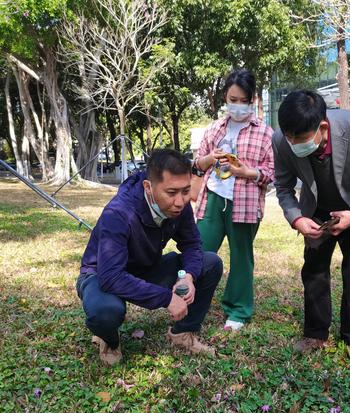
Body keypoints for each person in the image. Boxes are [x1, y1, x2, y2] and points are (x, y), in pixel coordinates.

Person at [272, 90, 350, 361]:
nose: (292, 144)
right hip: (316, 210)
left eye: (299, 139)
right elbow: (282, 186)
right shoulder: (282, 139)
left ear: (322, 127)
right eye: (288, 137)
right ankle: (315, 333)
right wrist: (297, 218)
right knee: (313, 271)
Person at [76, 149, 223, 365]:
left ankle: (183, 332)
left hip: (145, 268)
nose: (181, 201)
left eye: (185, 191)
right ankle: (109, 339)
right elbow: (111, 277)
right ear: (148, 187)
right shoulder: (118, 213)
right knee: (105, 311)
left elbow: (192, 244)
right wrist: (166, 298)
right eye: (171, 193)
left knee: (210, 263)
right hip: (102, 275)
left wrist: (188, 276)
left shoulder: (179, 207)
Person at [193, 69, 274, 331]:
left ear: (253, 100)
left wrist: (247, 172)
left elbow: (272, 173)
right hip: (212, 200)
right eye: (232, 99)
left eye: (243, 100)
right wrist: (210, 159)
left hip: (245, 204)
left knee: (241, 257)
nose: (237, 106)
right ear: (225, 98)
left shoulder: (265, 133)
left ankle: (238, 311)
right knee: (199, 252)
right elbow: (198, 163)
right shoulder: (215, 128)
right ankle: (189, 301)